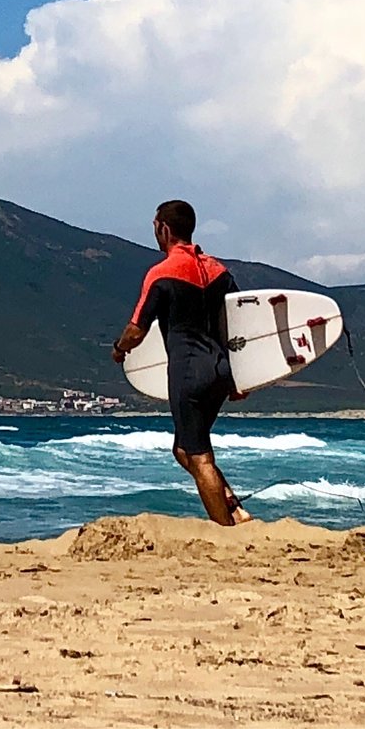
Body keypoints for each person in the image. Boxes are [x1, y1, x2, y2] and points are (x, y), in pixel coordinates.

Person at [112, 199, 252, 526]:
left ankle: (226, 531)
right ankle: (235, 509)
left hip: (188, 373)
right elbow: (239, 323)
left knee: (200, 457)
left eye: (155, 227)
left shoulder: (162, 274)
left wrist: (119, 349)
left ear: (164, 228)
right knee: (184, 448)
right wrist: (239, 378)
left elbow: (136, 330)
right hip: (220, 370)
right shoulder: (218, 270)